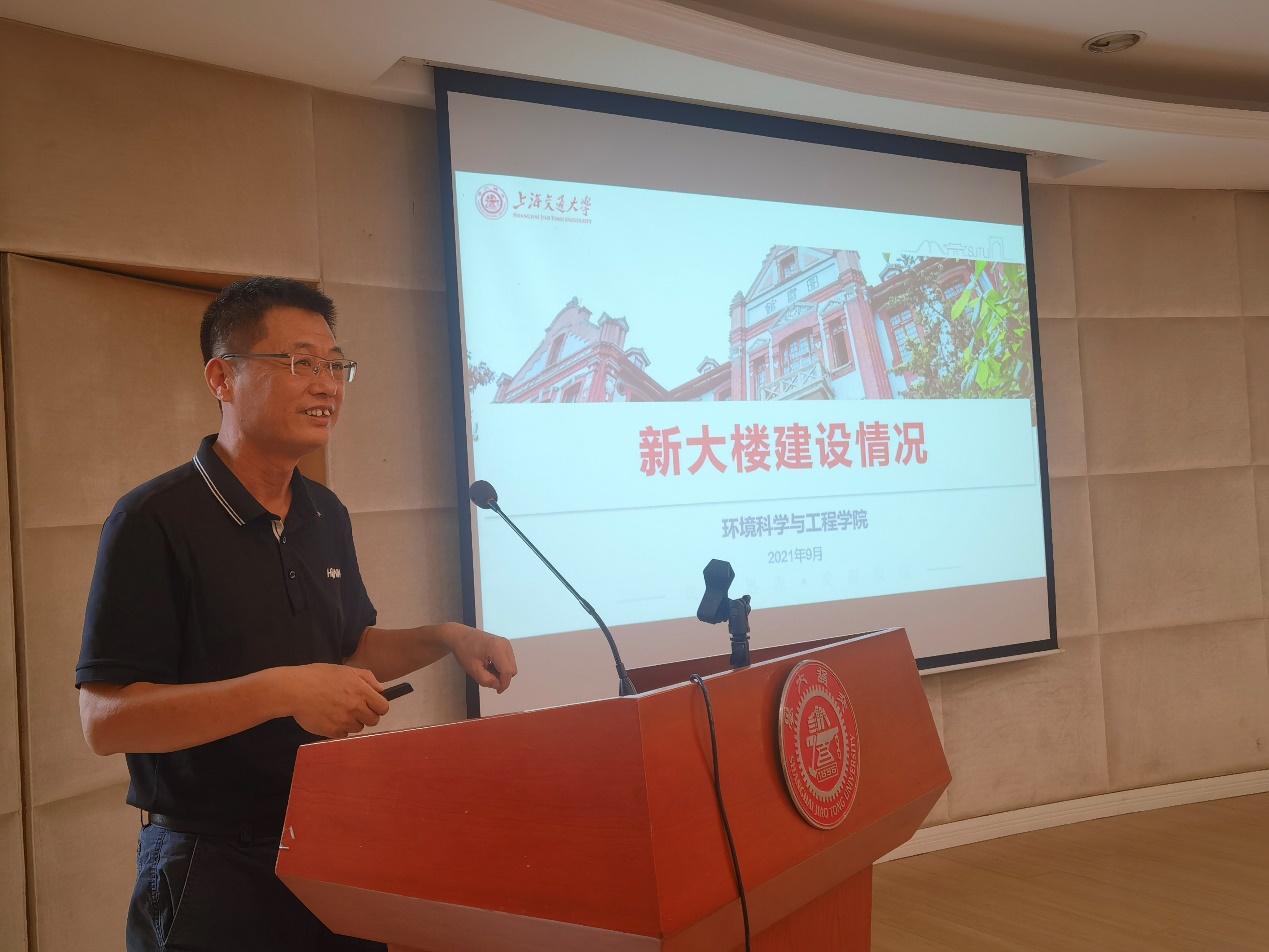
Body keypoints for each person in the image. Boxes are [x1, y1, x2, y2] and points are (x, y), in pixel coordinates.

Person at [76, 277, 518, 952]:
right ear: (222, 377)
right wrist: (283, 691)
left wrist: (446, 637)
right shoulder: (153, 519)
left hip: (332, 834)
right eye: (300, 362)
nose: (326, 385)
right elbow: (106, 721)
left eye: (335, 365)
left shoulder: (324, 513)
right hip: (211, 862)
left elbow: (348, 649)